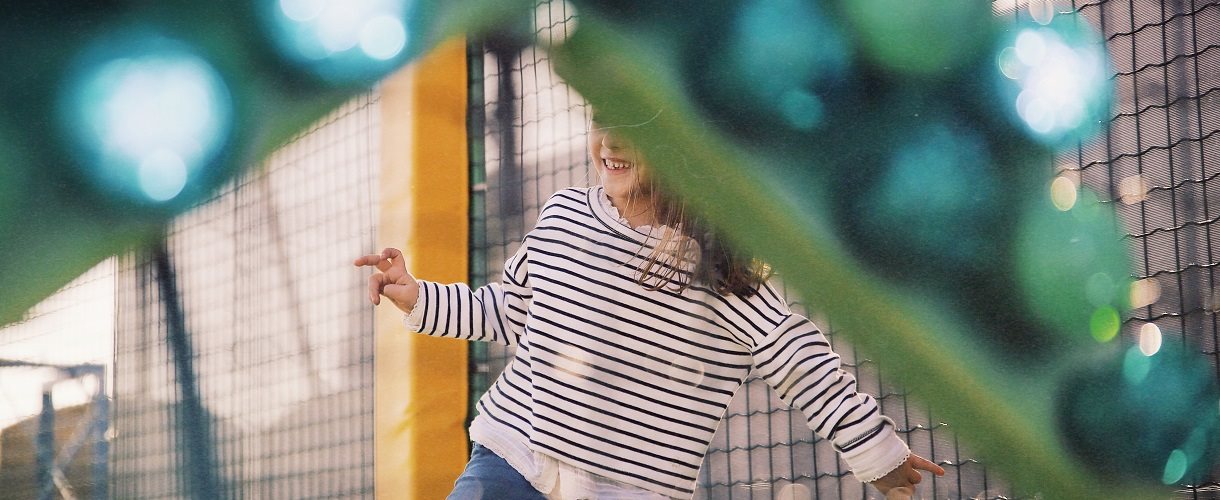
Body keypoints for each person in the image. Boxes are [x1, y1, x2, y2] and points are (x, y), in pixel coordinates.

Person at [355, 112, 944, 499]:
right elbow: (510, 308)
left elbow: (799, 360)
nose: (609, 142)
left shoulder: (718, 266)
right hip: (514, 457)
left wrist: (877, 452)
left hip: (629, 486)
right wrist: (418, 296)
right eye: (602, 122)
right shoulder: (563, 214)